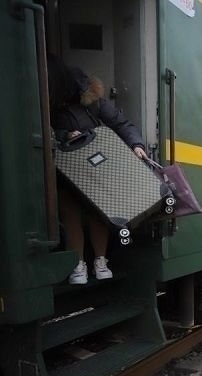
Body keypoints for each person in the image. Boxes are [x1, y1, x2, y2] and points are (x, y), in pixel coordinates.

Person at [48, 55, 148, 284]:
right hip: (68, 168)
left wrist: (136, 145)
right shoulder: (69, 100)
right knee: (72, 213)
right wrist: (64, 136)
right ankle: (79, 264)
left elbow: (120, 123)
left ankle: (98, 261)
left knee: (97, 213)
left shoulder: (91, 101)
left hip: (95, 166)